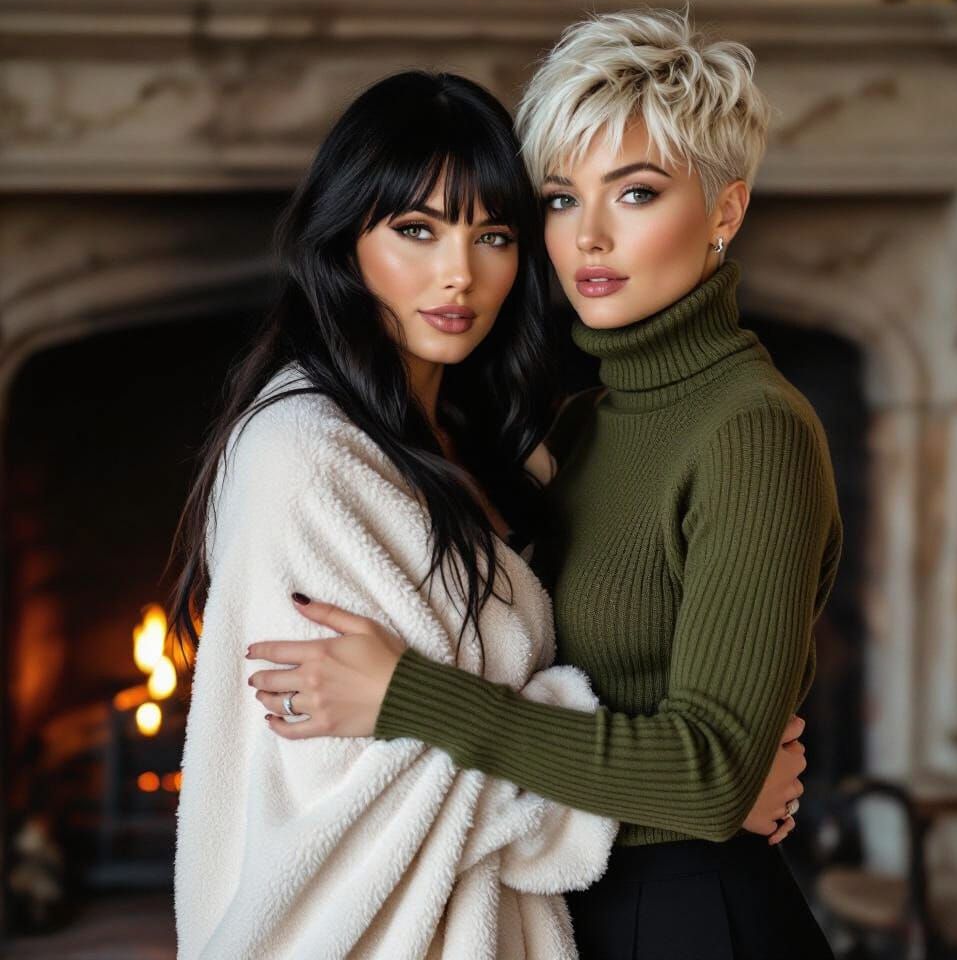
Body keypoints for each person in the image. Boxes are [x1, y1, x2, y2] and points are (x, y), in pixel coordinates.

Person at [248, 7, 840, 959]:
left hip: (686, 921)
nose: (589, 238)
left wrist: (410, 698)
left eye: (636, 193)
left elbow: (711, 777)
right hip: (567, 907)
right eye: (560, 200)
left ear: (725, 211)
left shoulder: (753, 430)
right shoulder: (576, 426)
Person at [170, 70, 623, 960]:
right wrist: (672, 790)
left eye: (493, 235)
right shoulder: (304, 456)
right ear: (345, 243)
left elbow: (450, 737)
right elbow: (368, 787)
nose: (460, 275)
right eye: (416, 230)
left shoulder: (491, 445)